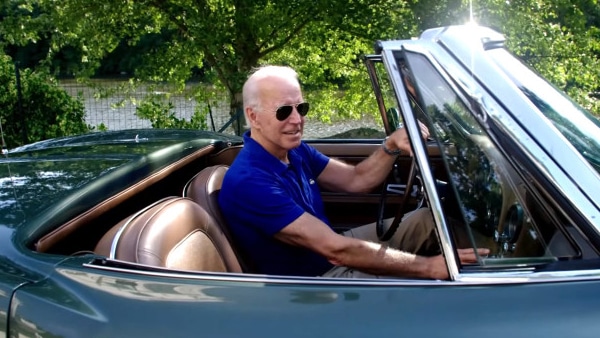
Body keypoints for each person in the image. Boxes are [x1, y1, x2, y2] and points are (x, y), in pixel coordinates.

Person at [218, 65, 488, 279]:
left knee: (428, 221)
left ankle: (501, 262)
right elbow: (336, 250)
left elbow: (356, 180)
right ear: (253, 116)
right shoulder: (249, 181)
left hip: (328, 250)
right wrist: (430, 268)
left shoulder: (294, 151)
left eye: (301, 108)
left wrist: (391, 145)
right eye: (284, 111)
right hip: (315, 280)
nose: (297, 119)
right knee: (427, 285)